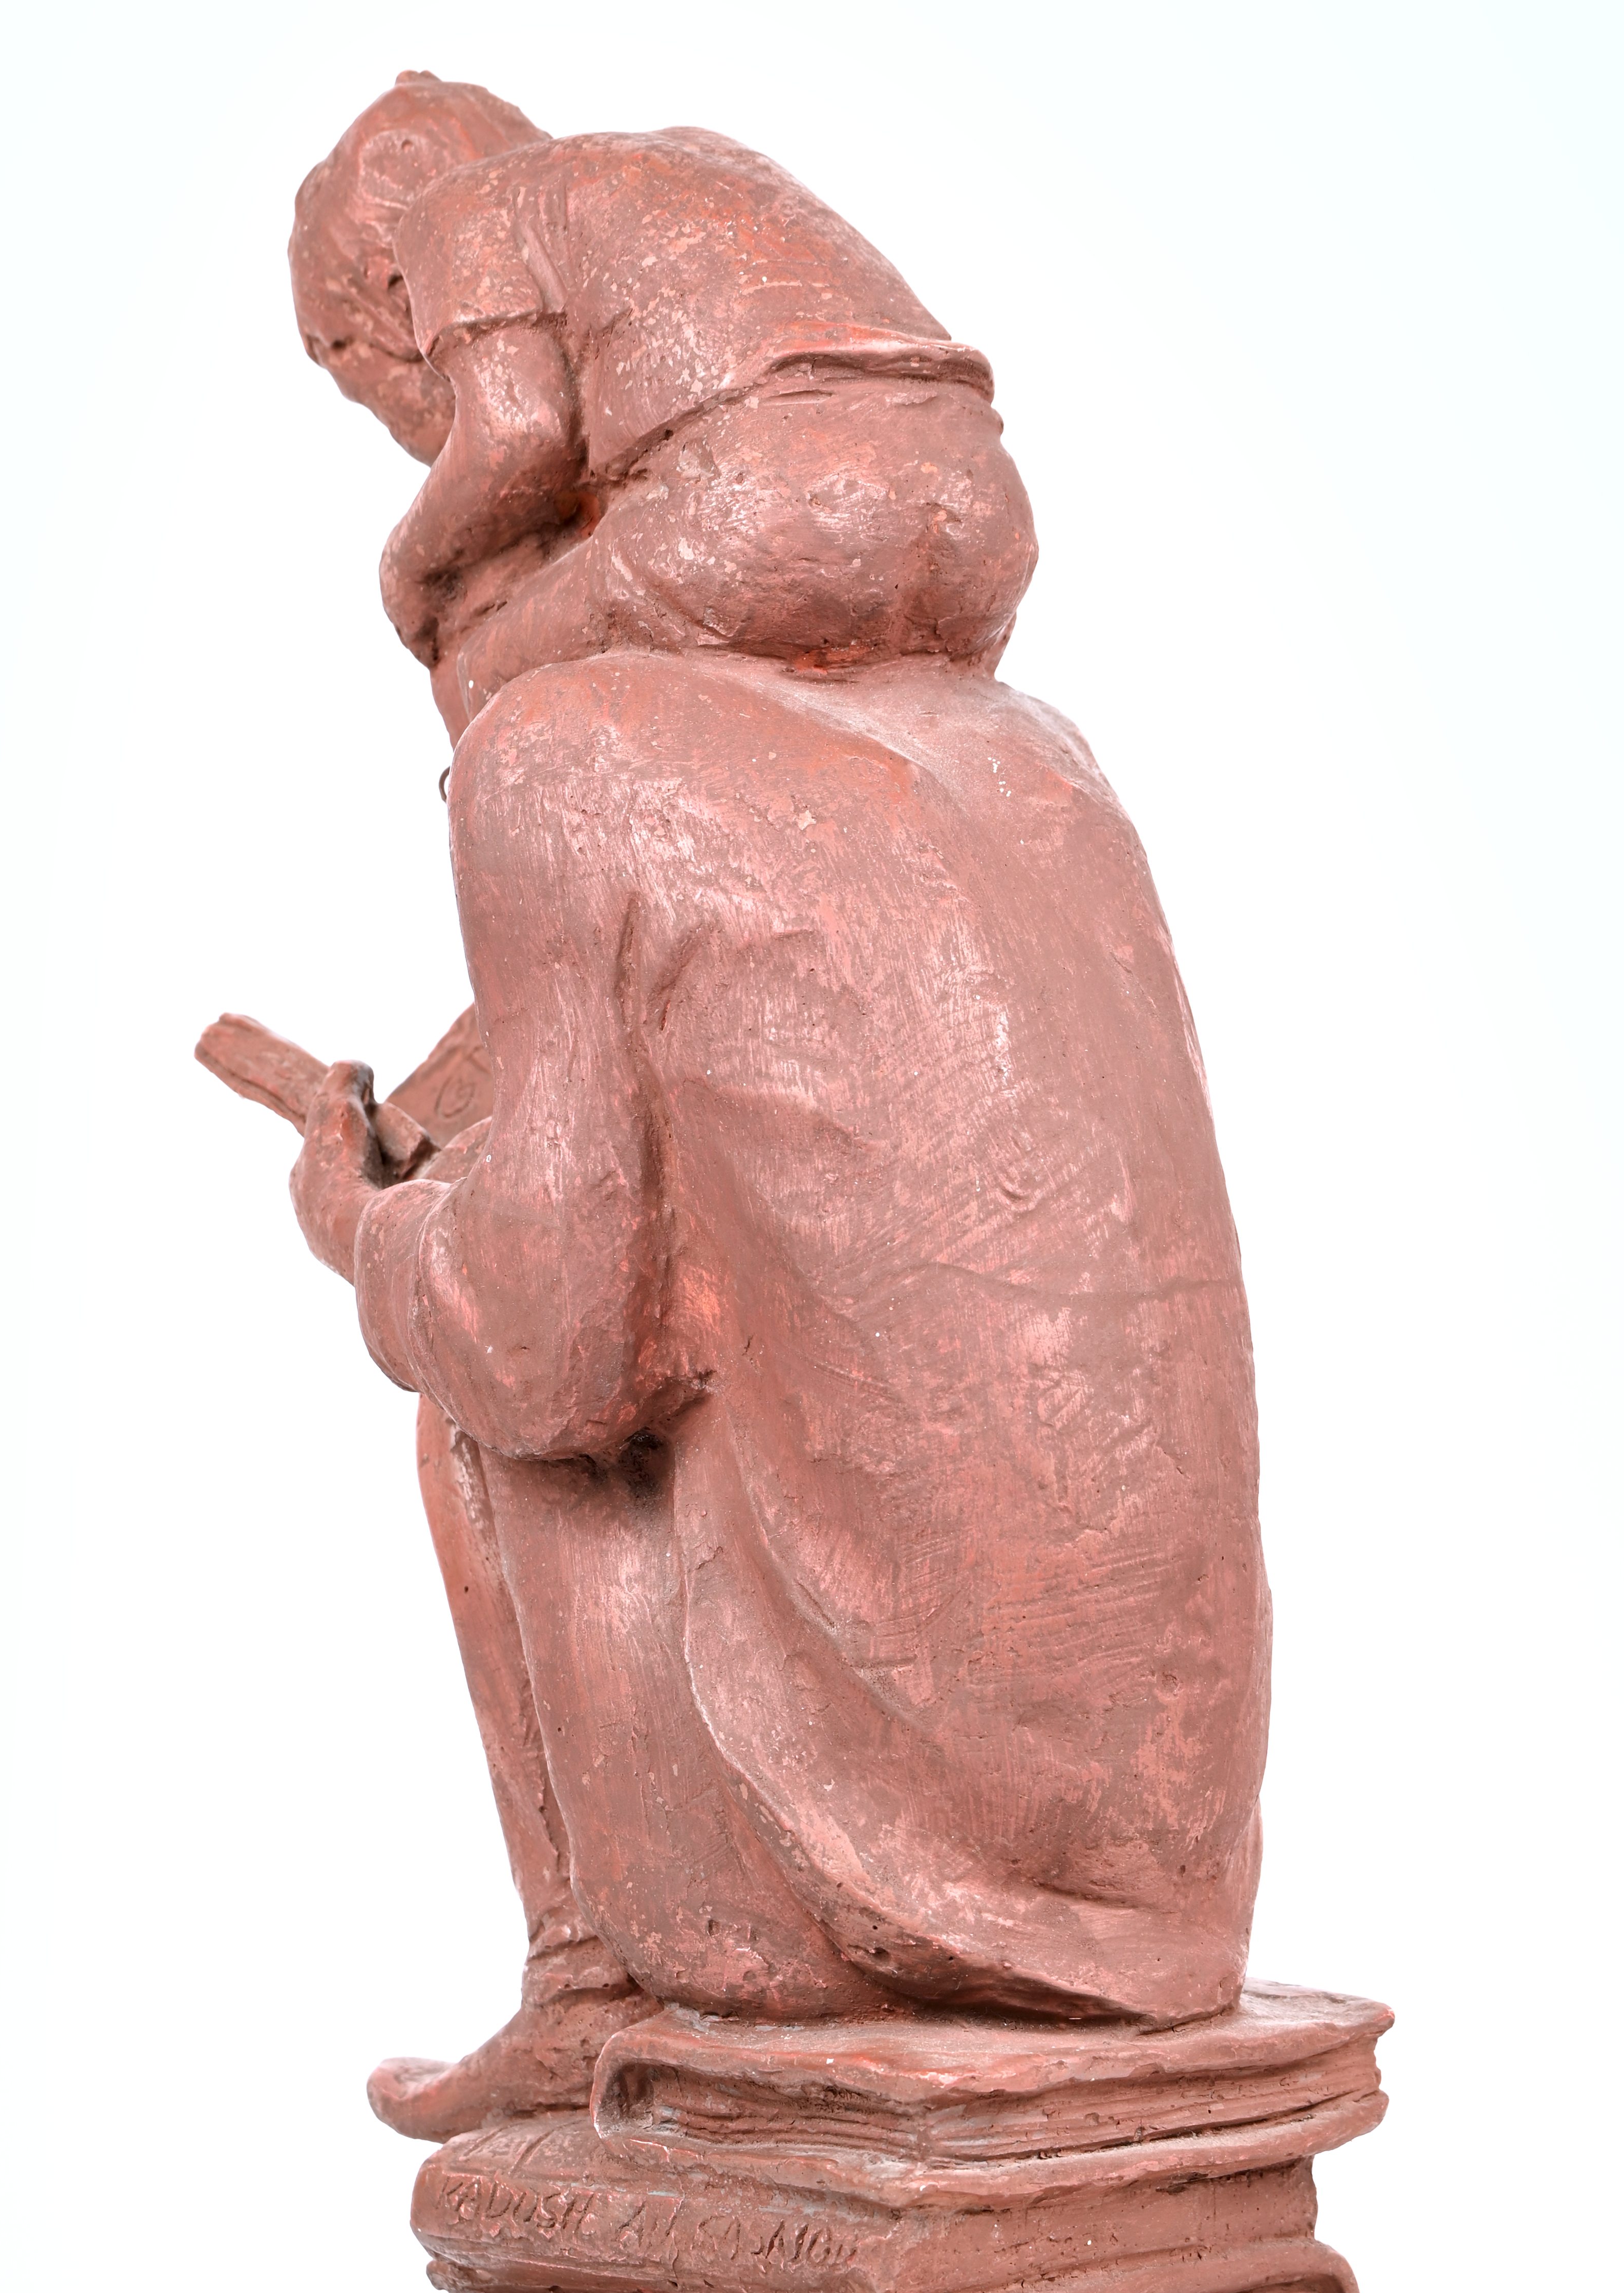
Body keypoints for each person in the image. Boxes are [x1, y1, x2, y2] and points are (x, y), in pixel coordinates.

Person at [287, 79, 1270, 2132]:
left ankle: (589, 1978)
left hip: (889, 1880)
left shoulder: (558, 754)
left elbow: (556, 1343)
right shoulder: (1027, 753)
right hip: (1171, 1878)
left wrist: (371, 1231)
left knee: (479, 1414)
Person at [290, 74, 1037, 737]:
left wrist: (407, 573)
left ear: (392, 288)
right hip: (983, 512)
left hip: (771, 504)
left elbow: (519, 434)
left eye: (353, 354)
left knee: (477, 676)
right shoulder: (697, 152)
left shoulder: (452, 209)